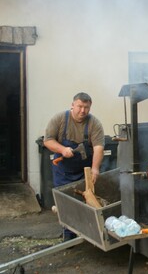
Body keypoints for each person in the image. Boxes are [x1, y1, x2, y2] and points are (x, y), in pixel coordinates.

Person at [44, 92, 105, 241]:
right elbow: (47, 140)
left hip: (85, 171)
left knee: (88, 201)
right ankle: (68, 234)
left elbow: (98, 148)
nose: (82, 111)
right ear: (72, 105)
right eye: (79, 106)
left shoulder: (94, 123)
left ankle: (88, 232)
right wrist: (62, 149)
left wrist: (95, 169)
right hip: (63, 170)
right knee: (66, 201)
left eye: (86, 107)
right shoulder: (59, 119)